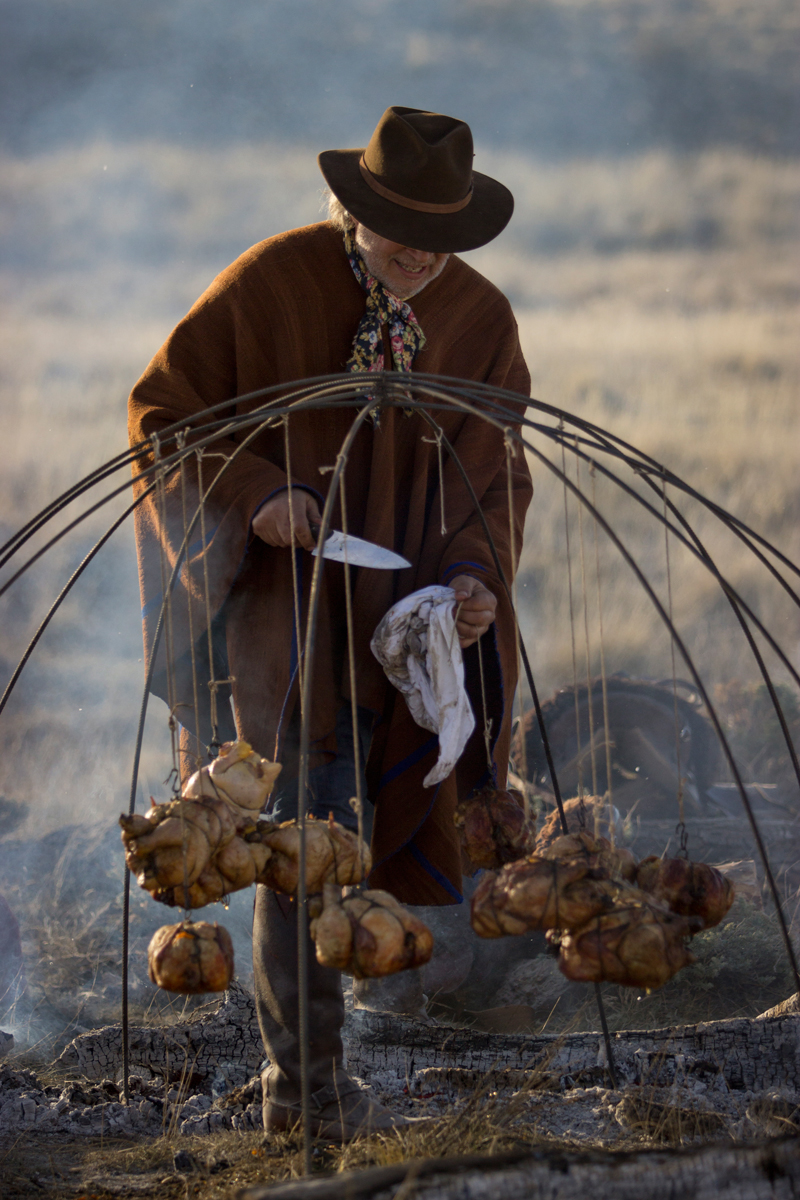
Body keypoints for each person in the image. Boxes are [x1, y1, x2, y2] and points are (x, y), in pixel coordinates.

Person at [128, 106, 533, 1138]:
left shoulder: (479, 320)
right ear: (353, 208)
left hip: (404, 634)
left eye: (439, 230)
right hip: (287, 628)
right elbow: (164, 418)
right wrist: (255, 492)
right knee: (293, 850)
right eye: (396, 222)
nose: (418, 250)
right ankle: (300, 1089)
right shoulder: (269, 284)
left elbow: (492, 473)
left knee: (376, 830)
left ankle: (353, 1053)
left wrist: (476, 578)